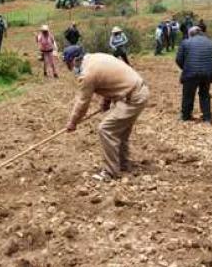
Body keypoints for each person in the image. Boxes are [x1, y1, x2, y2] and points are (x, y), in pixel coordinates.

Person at [62, 45, 150, 182]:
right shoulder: (95, 58)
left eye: (68, 64)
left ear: (74, 61)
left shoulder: (87, 74)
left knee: (106, 129)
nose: (69, 68)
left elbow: (82, 102)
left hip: (132, 97)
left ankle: (110, 172)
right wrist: (106, 102)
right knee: (120, 131)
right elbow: (110, 79)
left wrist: (73, 122)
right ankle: (123, 164)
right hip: (136, 91)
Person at [176, 26, 212, 123]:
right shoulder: (210, 42)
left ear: (190, 34)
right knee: (204, 94)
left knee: (188, 94)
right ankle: (207, 117)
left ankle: (186, 116)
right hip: (207, 73)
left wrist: (186, 68)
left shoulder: (185, 42)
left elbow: (178, 60)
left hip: (191, 73)